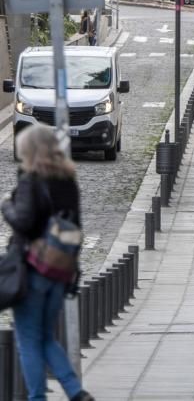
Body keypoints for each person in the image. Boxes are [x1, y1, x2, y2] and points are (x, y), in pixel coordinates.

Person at [1, 124, 95, 401]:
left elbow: (25, 223)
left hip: (32, 269)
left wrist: (6, 204)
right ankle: (76, 392)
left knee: (28, 340)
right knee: (45, 336)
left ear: (29, 150)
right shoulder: (68, 180)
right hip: (60, 269)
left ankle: (37, 397)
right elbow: (75, 226)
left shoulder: (31, 179)